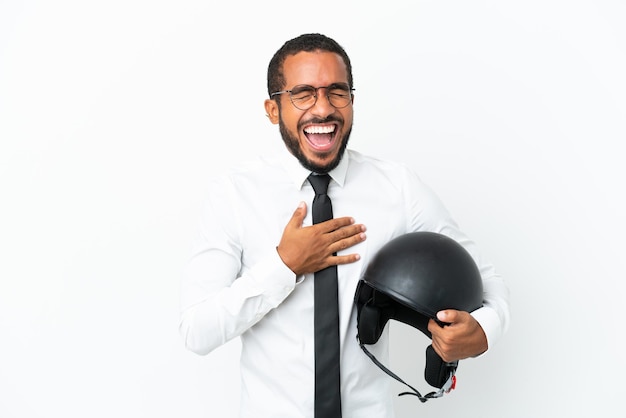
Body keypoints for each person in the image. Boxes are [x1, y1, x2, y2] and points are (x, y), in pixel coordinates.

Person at [179, 33, 510, 417]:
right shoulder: (235, 194)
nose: (323, 109)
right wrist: (284, 266)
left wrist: (483, 330)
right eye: (303, 93)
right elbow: (197, 330)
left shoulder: (398, 187)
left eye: (337, 92)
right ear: (273, 109)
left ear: (352, 101)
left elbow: (489, 283)